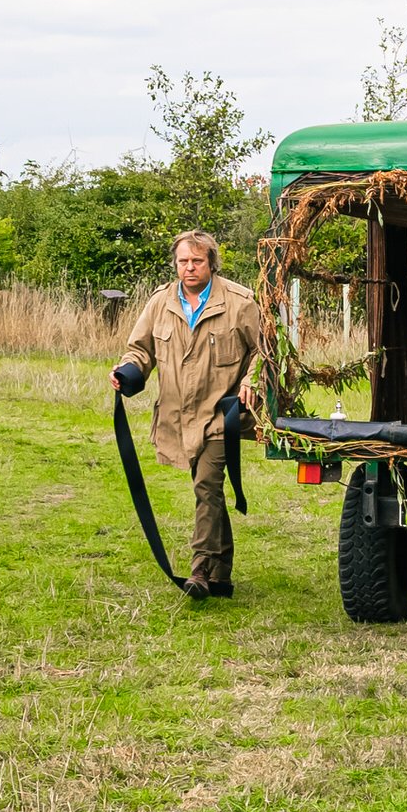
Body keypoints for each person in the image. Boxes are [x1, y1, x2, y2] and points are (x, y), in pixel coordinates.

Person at [112, 230, 266, 599]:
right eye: (183, 261)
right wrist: (126, 371)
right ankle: (221, 575)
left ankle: (199, 570)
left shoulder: (241, 302)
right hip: (179, 417)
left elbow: (266, 351)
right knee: (207, 490)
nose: (190, 267)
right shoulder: (160, 302)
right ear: (175, 263)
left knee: (206, 485)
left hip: (221, 415)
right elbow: (140, 350)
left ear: (212, 262)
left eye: (197, 261)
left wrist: (252, 380)